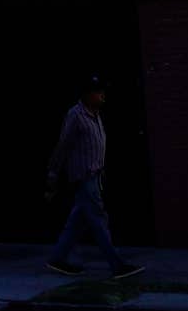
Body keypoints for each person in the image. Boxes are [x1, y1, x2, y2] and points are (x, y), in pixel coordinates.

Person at [44, 76, 141, 279]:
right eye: (98, 92)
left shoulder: (95, 115)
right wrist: (53, 175)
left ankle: (57, 259)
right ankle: (117, 265)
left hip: (95, 177)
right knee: (99, 219)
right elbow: (63, 146)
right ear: (87, 94)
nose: (103, 95)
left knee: (77, 222)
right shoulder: (75, 115)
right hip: (84, 177)